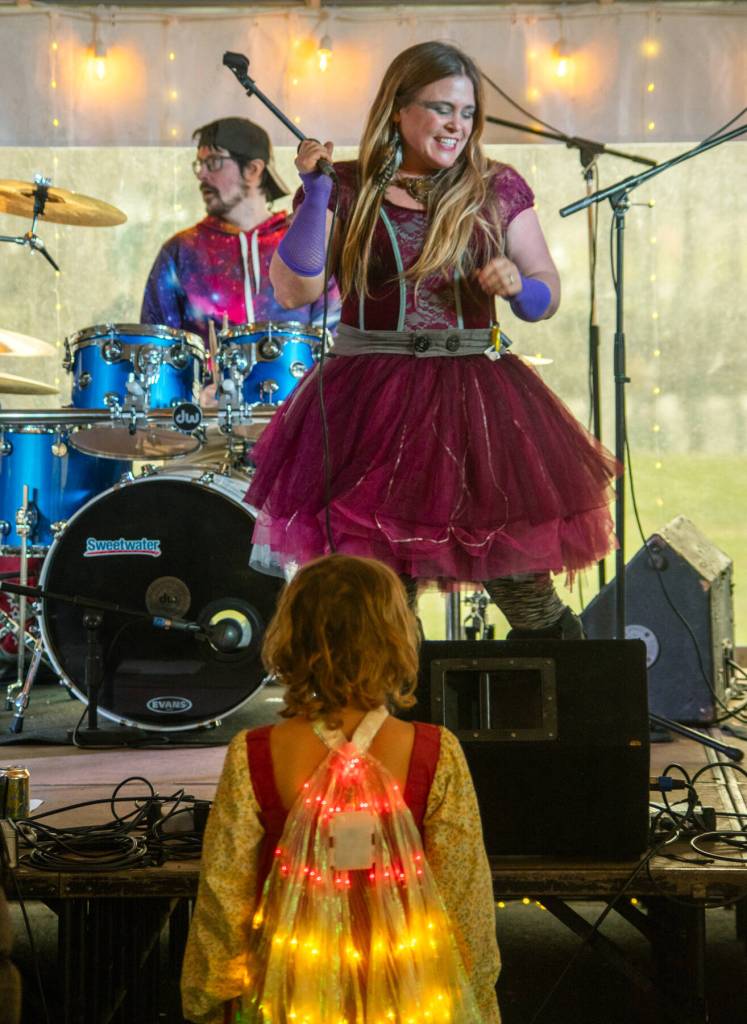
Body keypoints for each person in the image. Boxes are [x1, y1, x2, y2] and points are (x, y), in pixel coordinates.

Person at [244, 41, 619, 638]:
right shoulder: (345, 185)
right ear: (398, 108)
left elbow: (545, 293)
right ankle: (396, 723)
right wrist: (315, 193)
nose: (457, 126)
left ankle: (561, 708)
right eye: (442, 108)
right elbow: (294, 290)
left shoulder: (497, 187)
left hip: (476, 400)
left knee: (523, 585)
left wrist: (521, 286)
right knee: (381, 595)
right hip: (368, 400)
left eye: (467, 113)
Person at [181, 553, 500, 1024]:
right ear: (397, 638)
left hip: (292, 991)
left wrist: (210, 997)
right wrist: (476, 994)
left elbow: (225, 896)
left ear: (291, 638)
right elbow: (464, 896)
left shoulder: (255, 753)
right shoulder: (435, 752)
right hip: (408, 988)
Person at [140, 115, 340, 357]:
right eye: (199, 165)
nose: (201, 174)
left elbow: (333, 334)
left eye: (213, 162)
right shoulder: (180, 250)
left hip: (298, 392)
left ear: (253, 169)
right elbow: (155, 345)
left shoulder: (300, 242)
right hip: (206, 394)